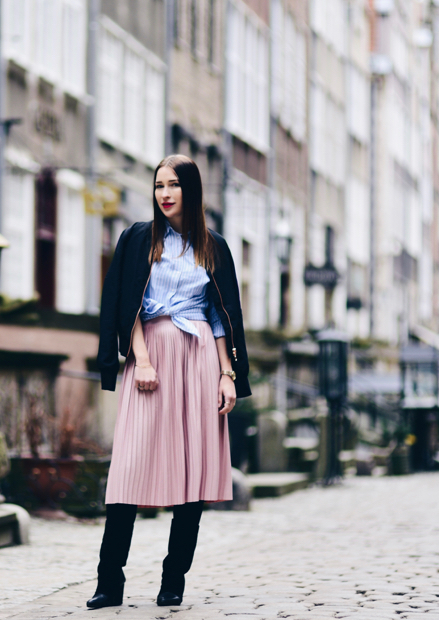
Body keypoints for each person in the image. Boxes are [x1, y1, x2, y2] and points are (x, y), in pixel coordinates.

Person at [91, 154, 250, 609]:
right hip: (152, 356)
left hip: (200, 359)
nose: (164, 193)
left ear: (191, 191)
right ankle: (109, 580)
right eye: (159, 184)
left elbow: (221, 314)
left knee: (192, 471)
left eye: (174, 185)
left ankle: (173, 579)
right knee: (128, 468)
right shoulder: (137, 238)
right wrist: (139, 359)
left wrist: (226, 375)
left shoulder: (213, 246)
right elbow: (124, 304)